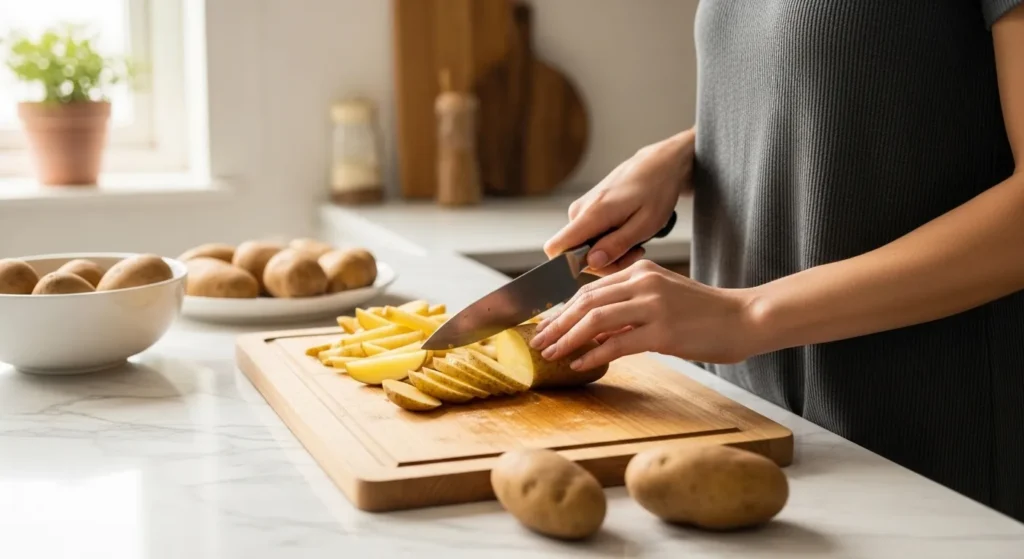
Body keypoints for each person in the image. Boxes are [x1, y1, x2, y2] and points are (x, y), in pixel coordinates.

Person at [531, 2, 1024, 522]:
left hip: (925, 456)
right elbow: (867, 84)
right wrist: (681, 156)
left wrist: (749, 314)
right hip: (743, 428)